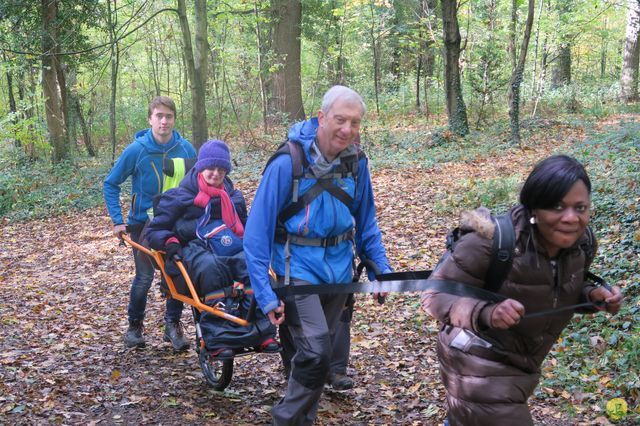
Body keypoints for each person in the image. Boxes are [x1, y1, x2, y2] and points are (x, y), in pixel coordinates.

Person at [421, 155, 623, 426]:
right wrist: (486, 312)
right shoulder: (489, 242)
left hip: (522, 364)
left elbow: (555, 284)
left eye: (580, 207)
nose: (571, 218)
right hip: (475, 361)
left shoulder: (581, 245)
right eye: (557, 206)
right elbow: (433, 296)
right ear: (533, 208)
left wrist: (590, 296)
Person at [244, 85, 391, 425]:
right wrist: (265, 295)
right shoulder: (287, 163)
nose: (347, 130)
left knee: (313, 357)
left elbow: (366, 222)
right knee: (316, 352)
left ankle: (302, 419)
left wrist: (380, 269)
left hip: (340, 274)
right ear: (322, 117)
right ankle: (286, 419)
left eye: (355, 123)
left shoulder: (357, 162)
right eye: (340, 120)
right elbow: (256, 234)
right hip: (298, 273)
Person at [144, 139, 278, 357]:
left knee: (251, 267)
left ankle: (261, 332)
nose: (215, 174)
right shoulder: (180, 197)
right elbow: (154, 230)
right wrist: (170, 242)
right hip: (194, 248)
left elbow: (244, 227)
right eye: (210, 168)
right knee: (209, 268)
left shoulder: (233, 197)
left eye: (221, 170)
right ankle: (218, 337)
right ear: (200, 167)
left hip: (229, 243)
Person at [103, 96, 196, 350]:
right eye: (159, 116)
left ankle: (173, 326)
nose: (164, 121)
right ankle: (134, 328)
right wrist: (118, 221)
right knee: (144, 278)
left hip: (177, 224)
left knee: (177, 275)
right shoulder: (137, 150)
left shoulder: (186, 149)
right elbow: (110, 184)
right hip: (143, 224)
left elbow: (199, 184)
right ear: (150, 119)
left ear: (174, 119)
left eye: (169, 116)